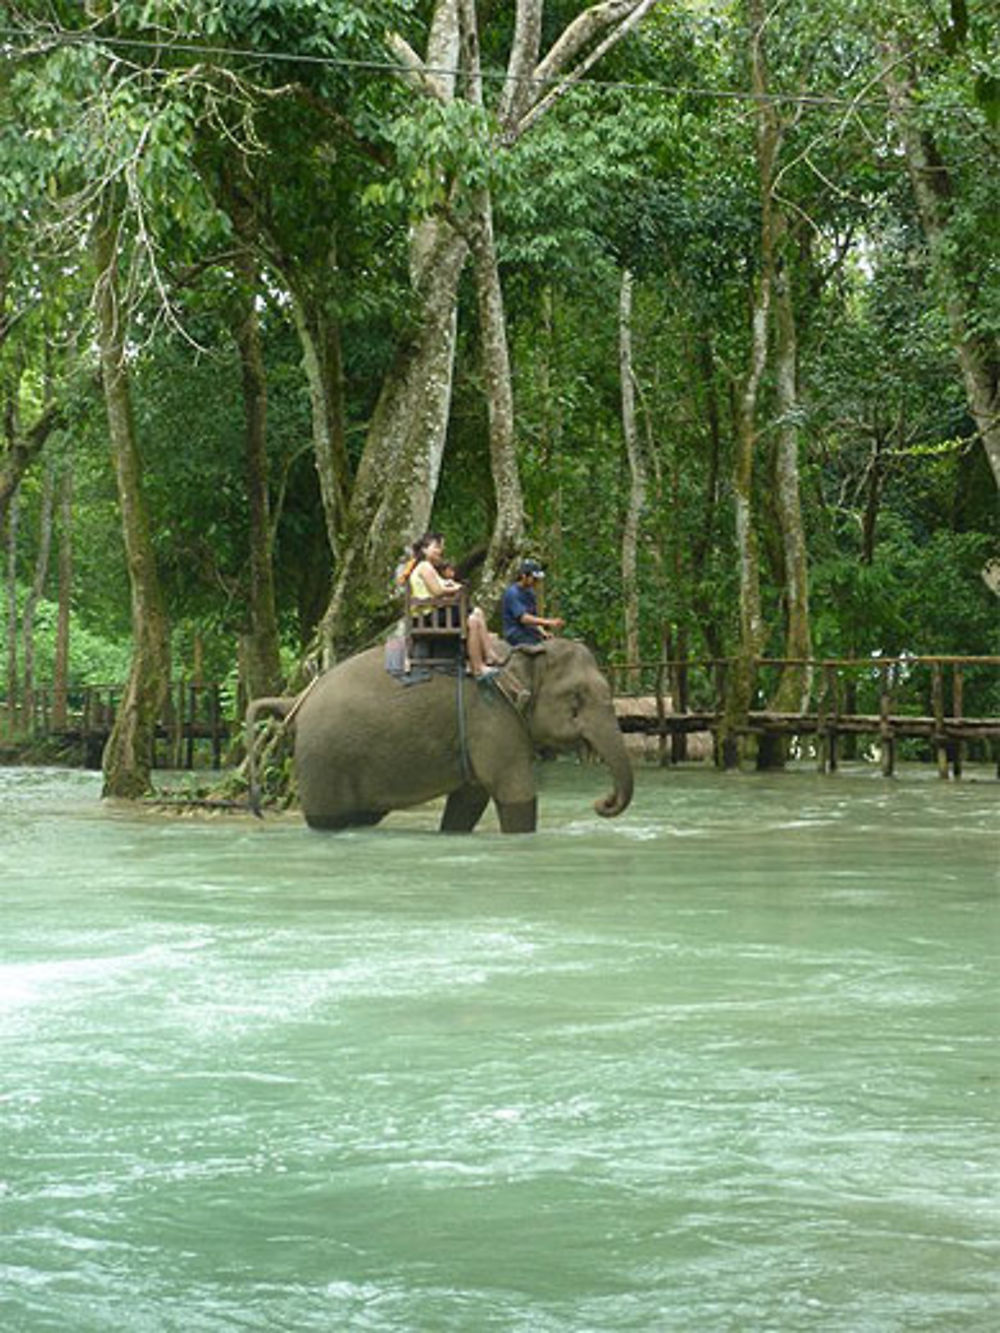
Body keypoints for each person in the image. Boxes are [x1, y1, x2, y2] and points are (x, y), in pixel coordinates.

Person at [406, 532, 500, 679]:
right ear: (424, 549)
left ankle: (489, 655)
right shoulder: (424, 566)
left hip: (434, 613)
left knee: (477, 612)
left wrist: (451, 586)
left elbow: (440, 586)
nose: (440, 551)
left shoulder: (428, 567)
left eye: (441, 547)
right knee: (473, 619)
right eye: (436, 547)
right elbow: (437, 591)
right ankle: (478, 667)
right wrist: (455, 588)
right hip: (429, 616)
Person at [502, 558, 564, 646]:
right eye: (534, 579)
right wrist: (548, 622)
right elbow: (524, 618)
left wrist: (543, 632)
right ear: (524, 576)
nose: (536, 582)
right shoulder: (512, 593)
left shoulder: (530, 592)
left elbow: (533, 618)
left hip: (530, 632)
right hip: (516, 633)